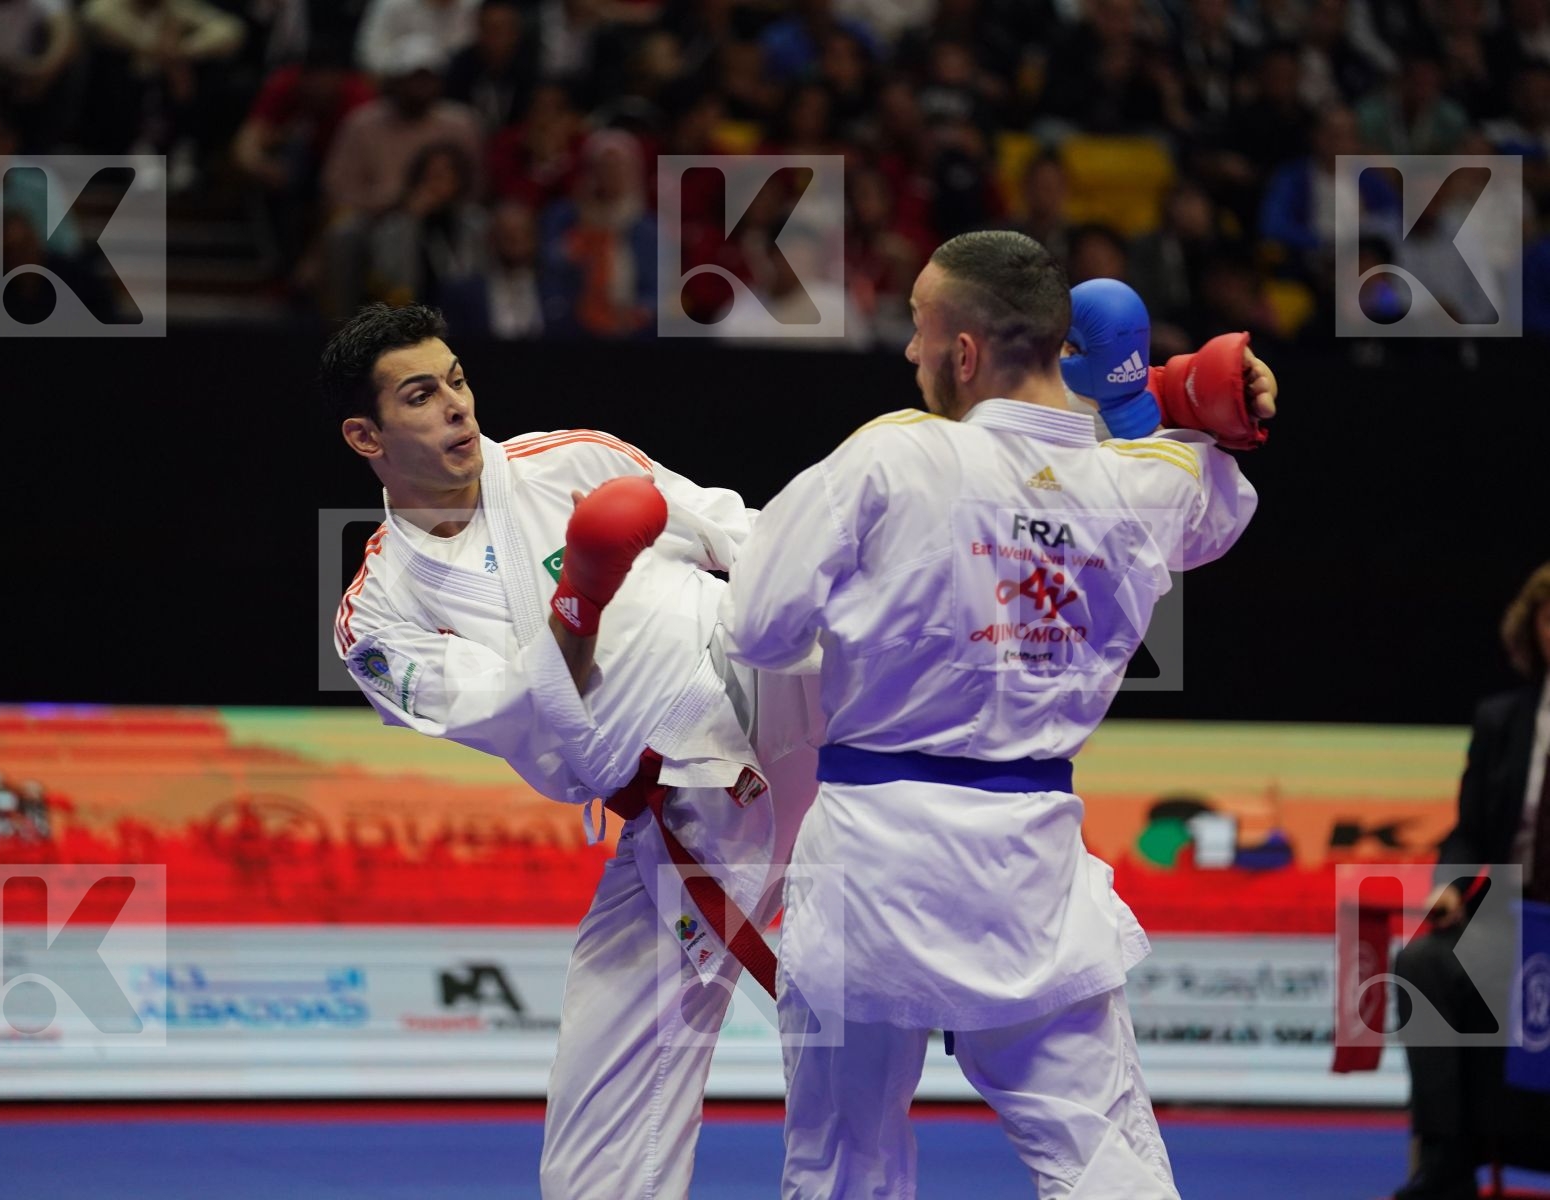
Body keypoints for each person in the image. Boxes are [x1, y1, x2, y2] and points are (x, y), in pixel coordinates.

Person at [724, 232, 1273, 1199]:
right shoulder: (1137, 484)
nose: (910, 351)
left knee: (843, 1165)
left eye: (919, 329)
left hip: (871, 863)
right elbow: (1217, 501)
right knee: (1101, 1159)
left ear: (966, 352)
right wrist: (1163, 397)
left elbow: (759, 630)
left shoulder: (892, 456)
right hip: (1031, 867)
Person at [319, 302, 825, 1199]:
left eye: (458, 380)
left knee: (854, 573)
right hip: (677, 804)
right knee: (595, 1149)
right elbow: (533, 711)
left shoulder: (571, 460)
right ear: (366, 435)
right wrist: (579, 600)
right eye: (421, 395)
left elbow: (732, 532)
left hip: (773, 685)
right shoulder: (378, 618)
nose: (457, 406)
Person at [1389, 561, 1550, 1200]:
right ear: (1533, 629)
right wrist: (1450, 883)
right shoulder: (1502, 721)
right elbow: (1469, 832)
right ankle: (1447, 1160)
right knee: (1424, 964)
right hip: (1512, 916)